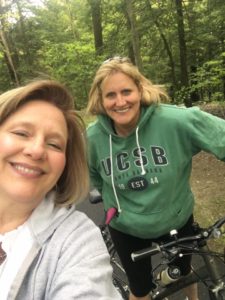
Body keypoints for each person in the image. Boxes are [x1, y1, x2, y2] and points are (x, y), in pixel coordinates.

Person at [86, 56, 225, 300]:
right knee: (140, 291)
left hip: (176, 219)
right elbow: (95, 176)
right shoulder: (93, 138)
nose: (120, 102)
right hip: (125, 226)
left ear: (140, 90)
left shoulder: (176, 121)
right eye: (110, 95)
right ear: (100, 98)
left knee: (184, 275)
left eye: (126, 91)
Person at [0, 79, 123, 300]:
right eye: (21, 133)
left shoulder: (77, 241)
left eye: (55, 144)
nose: (37, 150)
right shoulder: (98, 134)